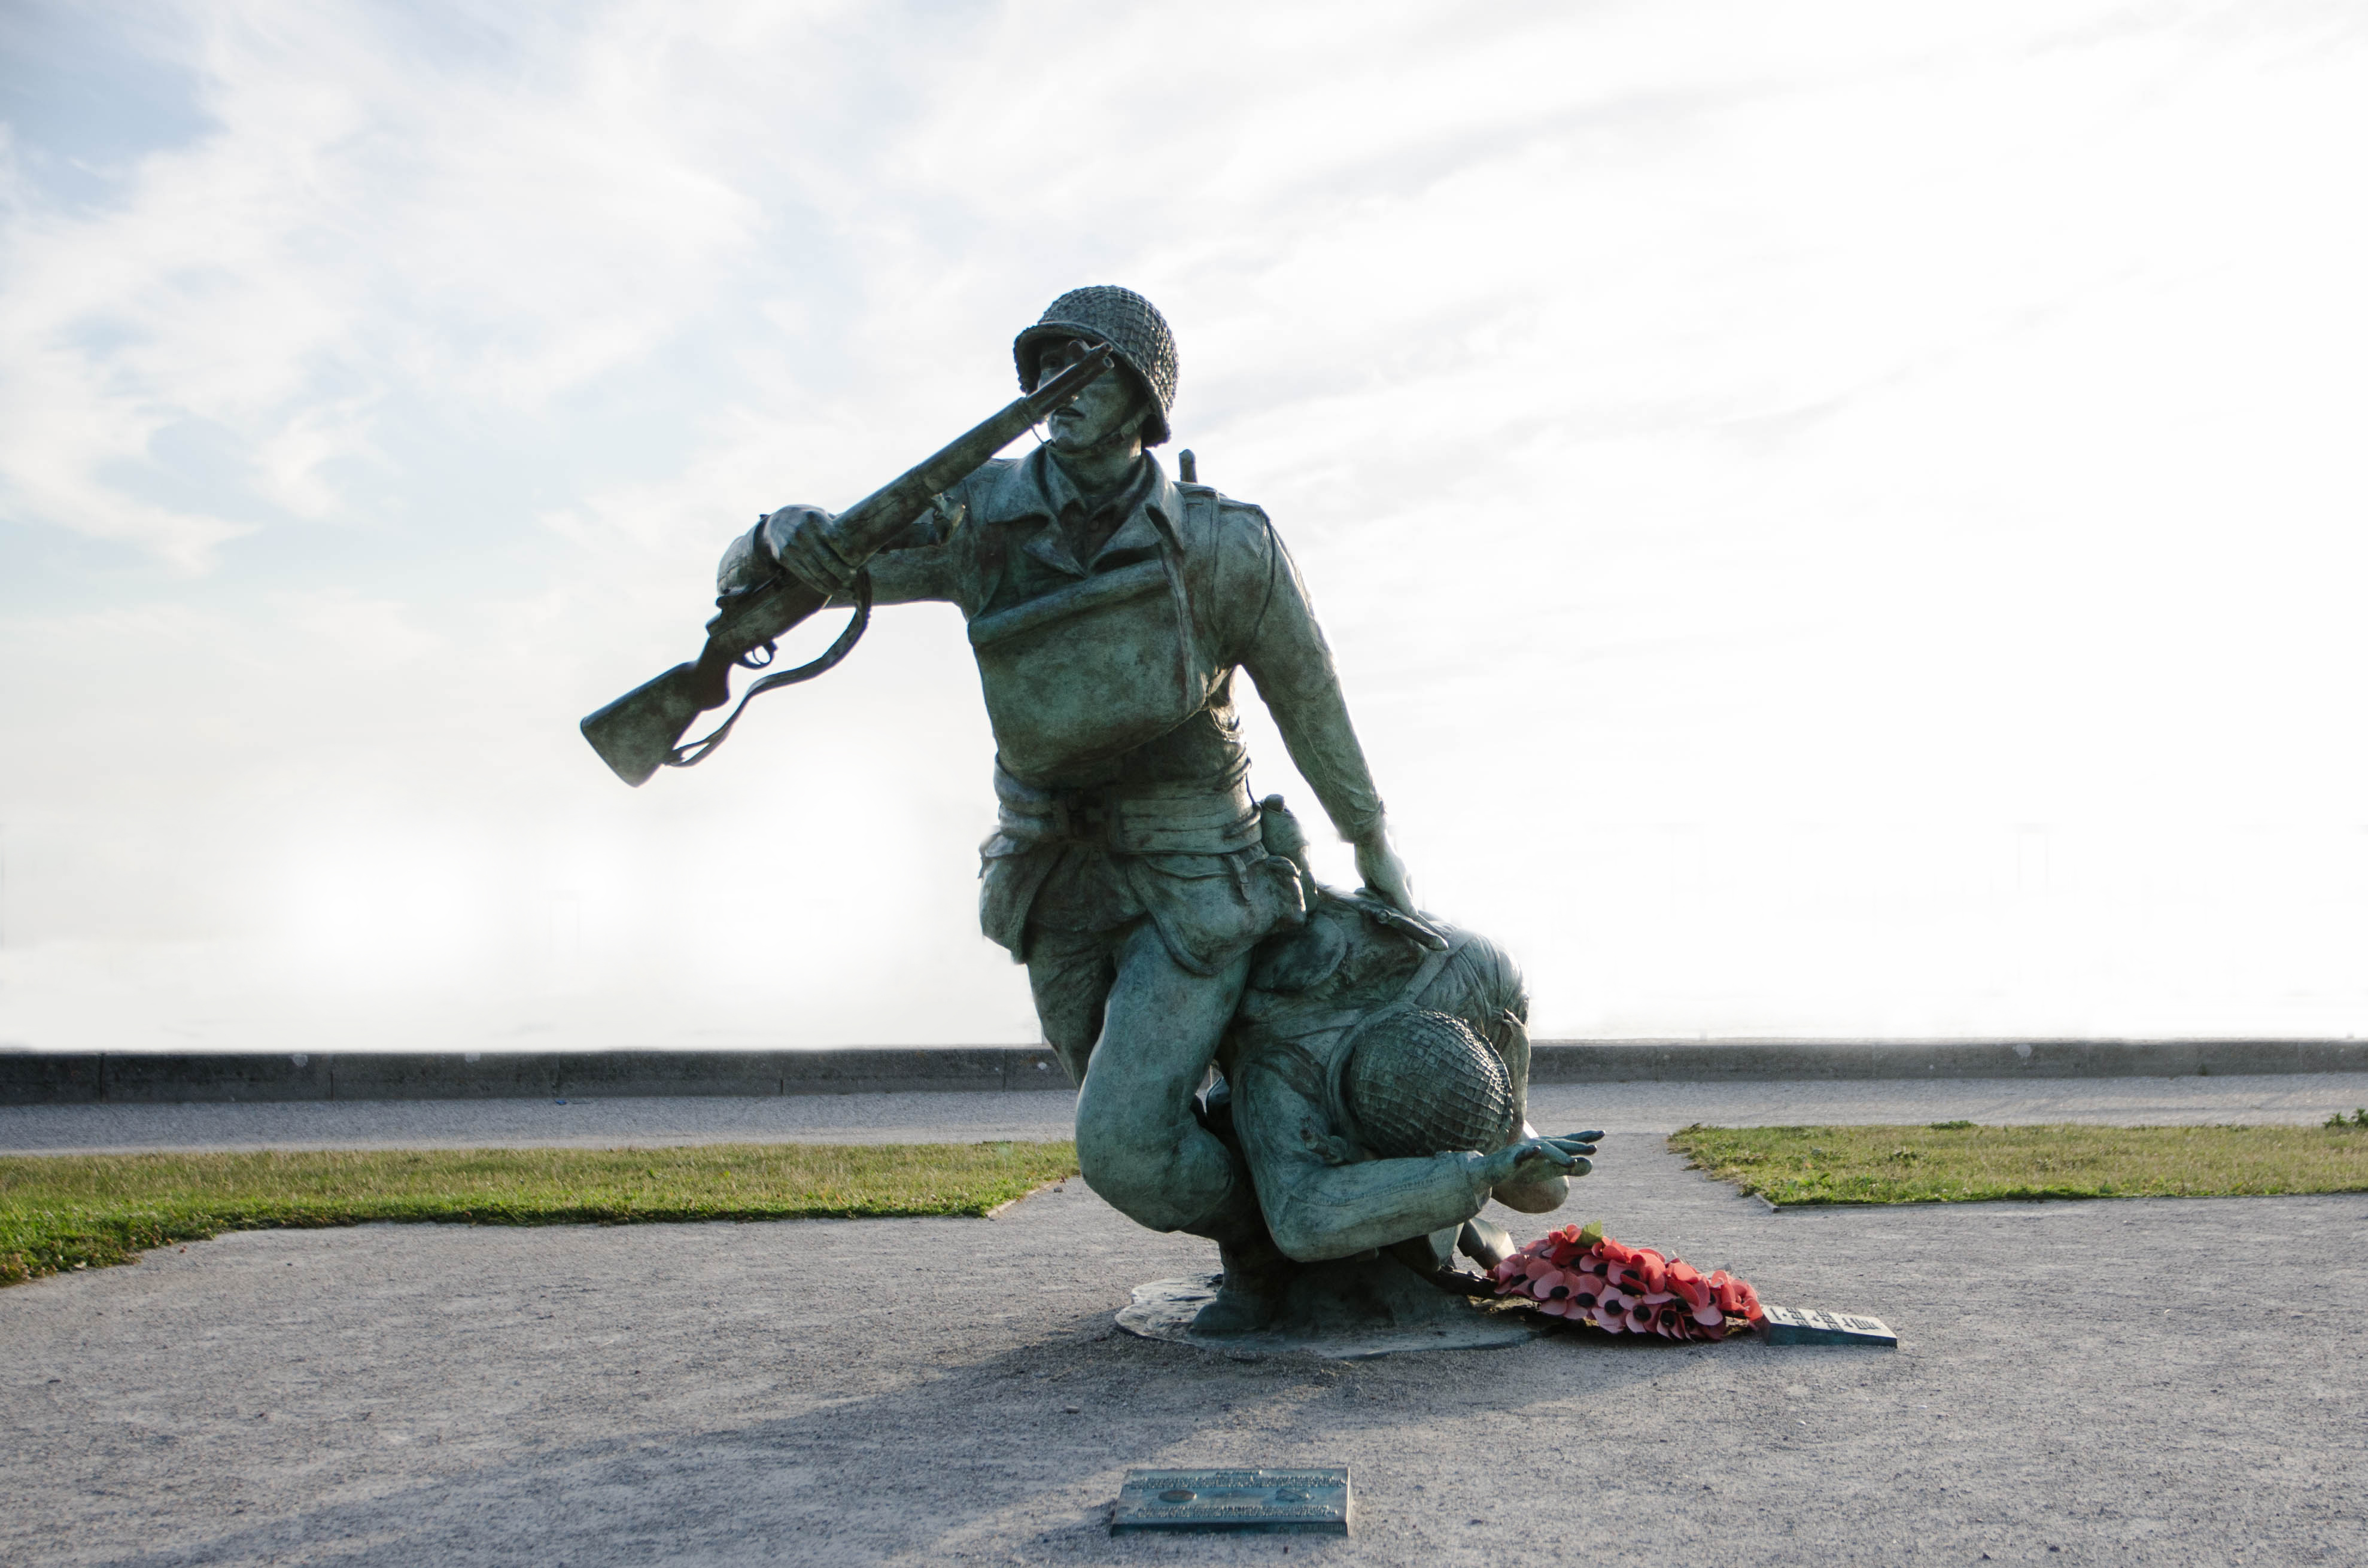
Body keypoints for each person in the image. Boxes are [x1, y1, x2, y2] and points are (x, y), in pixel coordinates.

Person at [715, 287, 1414, 1325]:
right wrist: (778, 535)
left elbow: (1311, 698)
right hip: (1052, 879)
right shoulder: (975, 515)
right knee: (1141, 1125)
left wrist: (1369, 838)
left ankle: (1296, 1235)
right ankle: (1278, 1236)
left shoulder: (1224, 544)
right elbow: (806, 577)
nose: (1059, 389)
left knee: (1121, 1148)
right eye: (1046, 366)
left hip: (1193, 875)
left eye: (1089, 367)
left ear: (1143, 395)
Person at [1199, 803, 1599, 1327]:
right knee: (1228, 1117)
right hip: (1308, 1062)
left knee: (1547, 1185)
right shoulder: (1277, 1068)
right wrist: (1473, 1172)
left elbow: (1541, 1184)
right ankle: (1253, 1270)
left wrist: (1507, 1111)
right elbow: (1300, 1216)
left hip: (1444, 1047)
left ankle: (1449, 1224)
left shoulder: (1471, 969)